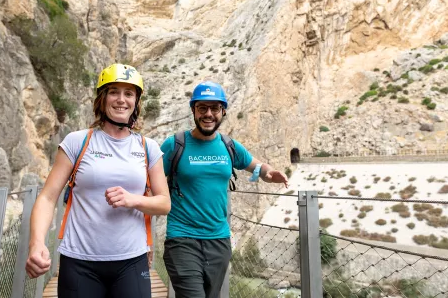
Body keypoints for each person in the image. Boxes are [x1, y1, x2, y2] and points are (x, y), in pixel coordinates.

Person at [25, 63, 171, 298]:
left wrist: (132, 199)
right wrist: (36, 243)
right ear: (102, 99)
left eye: (129, 93)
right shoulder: (77, 142)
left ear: (136, 101)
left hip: (132, 262)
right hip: (80, 262)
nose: (121, 99)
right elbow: (47, 197)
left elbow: (164, 203)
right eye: (113, 91)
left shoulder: (148, 147)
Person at [160, 80, 289, 298]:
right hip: (182, 239)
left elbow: (256, 166)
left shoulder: (229, 146)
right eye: (202, 108)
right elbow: (150, 184)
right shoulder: (175, 145)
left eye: (215, 108)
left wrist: (270, 173)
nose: (208, 114)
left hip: (218, 241)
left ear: (223, 111)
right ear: (193, 110)